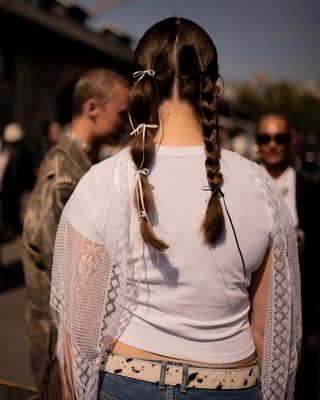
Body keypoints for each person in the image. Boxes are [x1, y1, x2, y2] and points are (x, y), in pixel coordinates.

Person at [50, 18, 301, 400]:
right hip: (228, 384)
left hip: (126, 379)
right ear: (212, 85)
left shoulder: (103, 181)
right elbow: (270, 332)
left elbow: (77, 333)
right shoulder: (260, 187)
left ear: (142, 83)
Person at [22, 68, 128, 400]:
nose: (126, 123)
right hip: (58, 340)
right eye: (122, 114)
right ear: (92, 108)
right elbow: (65, 272)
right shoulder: (64, 175)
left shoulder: (82, 163)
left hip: (70, 336)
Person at [256, 113, 320, 400]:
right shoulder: (243, 184)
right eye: (265, 138)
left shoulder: (309, 189)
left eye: (279, 138)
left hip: (299, 309)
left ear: (290, 140)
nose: (272, 145)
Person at [0, 122, 34, 240]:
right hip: (19, 193)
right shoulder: (22, 152)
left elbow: (13, 178)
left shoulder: (17, 154)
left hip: (17, 194)